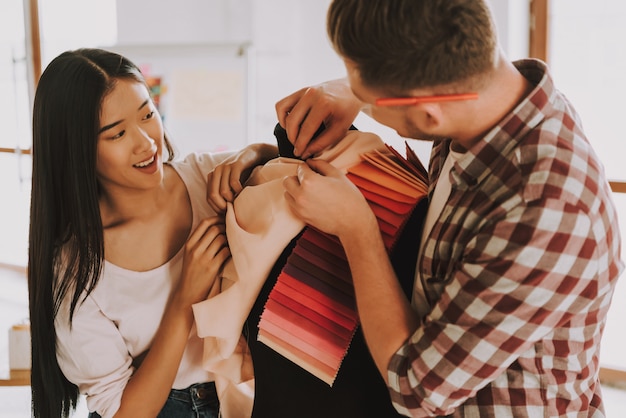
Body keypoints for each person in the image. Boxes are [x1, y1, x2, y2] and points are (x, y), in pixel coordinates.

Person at [275, 0, 624, 417]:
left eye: (368, 95)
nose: (359, 99)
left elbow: (415, 390)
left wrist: (356, 230)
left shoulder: (545, 208)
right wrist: (350, 92)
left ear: (429, 112)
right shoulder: (489, 97)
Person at [28, 48, 277, 418]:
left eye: (148, 114)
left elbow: (283, 169)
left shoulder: (207, 179)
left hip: (247, 393)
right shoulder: (76, 270)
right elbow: (123, 413)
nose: (146, 143)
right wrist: (182, 304)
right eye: (117, 134)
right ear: (76, 150)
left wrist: (254, 155)